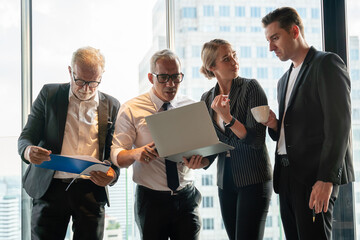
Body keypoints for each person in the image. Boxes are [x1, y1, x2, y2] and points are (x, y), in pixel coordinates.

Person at [261, 7, 354, 239]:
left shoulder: (327, 64)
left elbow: (339, 125)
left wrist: (326, 179)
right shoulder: (283, 80)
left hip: (315, 176)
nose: (270, 47)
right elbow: (293, 129)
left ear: (294, 31)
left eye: (275, 38)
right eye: (268, 40)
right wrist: (275, 125)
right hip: (286, 175)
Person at [18, 46, 121, 240]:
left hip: (91, 188)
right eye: (80, 81)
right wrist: (28, 151)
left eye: (93, 82)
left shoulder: (112, 105)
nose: (86, 88)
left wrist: (112, 173)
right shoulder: (49, 94)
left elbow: (115, 150)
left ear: (102, 75)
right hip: (50, 187)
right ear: (70, 71)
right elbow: (26, 137)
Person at [111, 49, 208, 240]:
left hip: (187, 197)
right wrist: (135, 153)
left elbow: (205, 150)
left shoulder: (191, 106)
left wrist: (201, 162)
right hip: (152, 201)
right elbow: (117, 155)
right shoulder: (131, 109)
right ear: (150, 77)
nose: (171, 84)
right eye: (163, 77)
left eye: (176, 77)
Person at [200, 39, 272, 240]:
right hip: (226, 181)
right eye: (226, 58)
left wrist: (228, 118)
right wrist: (202, 161)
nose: (234, 61)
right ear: (212, 67)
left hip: (253, 179)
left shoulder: (251, 88)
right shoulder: (206, 99)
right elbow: (213, 144)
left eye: (234, 55)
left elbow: (256, 139)